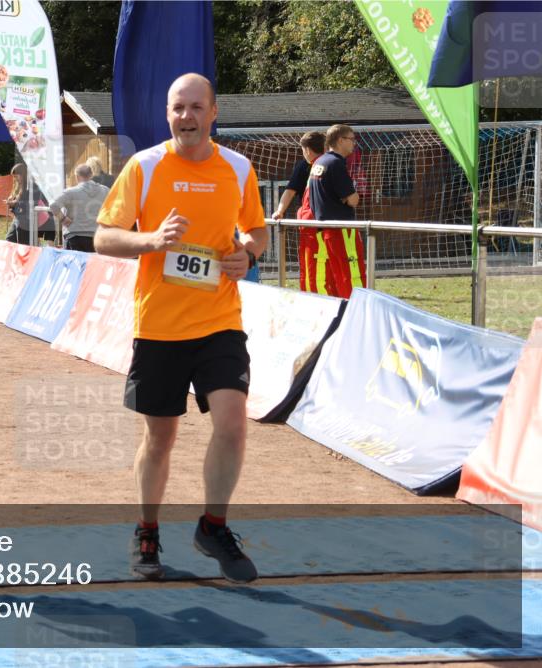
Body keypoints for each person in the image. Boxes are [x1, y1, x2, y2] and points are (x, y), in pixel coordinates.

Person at [94, 73, 268, 584]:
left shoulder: (238, 168)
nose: (186, 117)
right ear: (167, 114)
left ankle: (214, 526)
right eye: (177, 108)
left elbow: (255, 229)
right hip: (160, 325)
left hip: (220, 320)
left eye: (196, 107)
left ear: (214, 113)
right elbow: (104, 238)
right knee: (160, 437)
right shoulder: (144, 166)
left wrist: (248, 253)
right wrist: (151, 241)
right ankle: (146, 529)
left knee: (233, 422)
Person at [308, 124, 366, 298]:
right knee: (351, 274)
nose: (354, 143)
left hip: (324, 229)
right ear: (340, 140)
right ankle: (357, 311)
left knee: (334, 276)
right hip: (342, 229)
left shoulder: (319, 162)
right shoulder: (335, 164)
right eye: (351, 139)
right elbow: (354, 200)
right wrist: (349, 196)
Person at [271, 131, 326, 293]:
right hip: (328, 223)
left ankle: (313, 294)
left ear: (307, 150)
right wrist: (280, 210)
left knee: (313, 264)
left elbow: (290, 191)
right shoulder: (332, 163)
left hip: (313, 225)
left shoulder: (314, 165)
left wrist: (280, 211)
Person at [49, 163, 109, 253]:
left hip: (74, 236)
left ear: (77, 176)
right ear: (91, 175)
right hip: (97, 238)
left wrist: (63, 219)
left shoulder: (70, 192)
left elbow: (53, 205)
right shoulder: (105, 191)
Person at [4, 163, 54, 244]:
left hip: (27, 222)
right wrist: (12, 202)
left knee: (24, 245)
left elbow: (28, 205)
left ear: (23, 175)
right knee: (9, 241)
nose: (15, 179)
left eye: (16, 176)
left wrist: (14, 204)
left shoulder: (33, 187)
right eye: (14, 177)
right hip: (18, 219)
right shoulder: (20, 187)